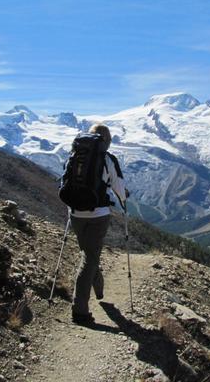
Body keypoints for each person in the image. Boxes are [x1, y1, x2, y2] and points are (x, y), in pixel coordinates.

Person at [67, 123, 127, 325]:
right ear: (106, 141)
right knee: (89, 258)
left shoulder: (75, 155)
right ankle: (80, 311)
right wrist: (124, 199)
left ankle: (99, 287)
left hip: (75, 214)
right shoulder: (108, 159)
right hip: (98, 215)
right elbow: (119, 187)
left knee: (89, 254)